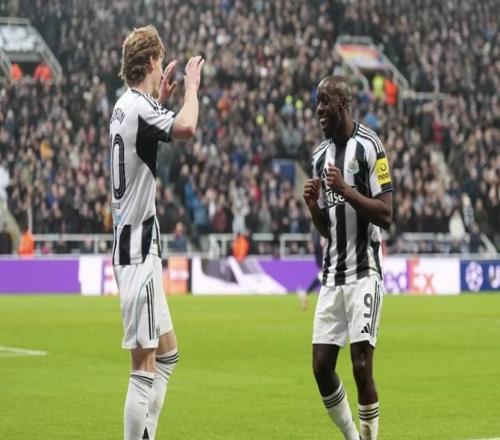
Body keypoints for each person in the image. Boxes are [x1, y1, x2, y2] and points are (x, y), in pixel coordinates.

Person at [110, 25, 204, 440]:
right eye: (160, 59)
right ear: (151, 62)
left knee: (168, 354)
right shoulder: (139, 108)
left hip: (134, 245)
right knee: (144, 363)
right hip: (137, 249)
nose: (163, 65)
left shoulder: (124, 105)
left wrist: (160, 100)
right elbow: (187, 128)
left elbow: (143, 135)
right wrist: (192, 90)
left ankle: (147, 433)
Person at [303, 76, 393, 440]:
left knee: (360, 367)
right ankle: (352, 436)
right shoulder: (318, 157)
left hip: (364, 273)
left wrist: (345, 188)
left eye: (325, 101)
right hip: (332, 277)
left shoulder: (370, 147)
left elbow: (386, 214)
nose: (319, 110)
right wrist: (314, 208)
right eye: (317, 102)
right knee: (321, 367)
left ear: (344, 103)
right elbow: (328, 229)